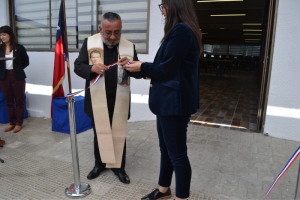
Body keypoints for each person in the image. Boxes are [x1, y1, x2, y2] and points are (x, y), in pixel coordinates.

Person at [124, 0, 202, 199]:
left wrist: (141, 67)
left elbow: (166, 70)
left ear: (174, 6)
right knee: (166, 149)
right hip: (168, 103)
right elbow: (164, 66)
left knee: (177, 155)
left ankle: (181, 197)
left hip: (174, 105)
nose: (163, 12)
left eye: (163, 6)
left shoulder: (182, 31)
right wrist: (135, 67)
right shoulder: (179, 31)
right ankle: (163, 191)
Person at [74, 12, 141, 184]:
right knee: (100, 132)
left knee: (118, 134)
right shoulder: (90, 43)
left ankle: (119, 167)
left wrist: (131, 65)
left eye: (117, 32)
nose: (112, 37)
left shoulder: (129, 46)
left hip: (120, 98)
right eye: (108, 32)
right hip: (98, 98)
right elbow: (78, 66)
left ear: (121, 30)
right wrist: (91, 68)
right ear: (100, 29)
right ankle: (100, 164)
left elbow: (139, 72)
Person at [0, 26, 29, 133]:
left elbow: (26, 62)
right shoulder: (0, 48)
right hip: (4, 77)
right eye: (0, 35)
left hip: (17, 76)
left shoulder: (19, 47)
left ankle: (19, 123)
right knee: (9, 101)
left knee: (19, 100)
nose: (1, 37)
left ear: (10, 35)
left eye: (4, 34)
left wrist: (17, 69)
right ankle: (12, 122)